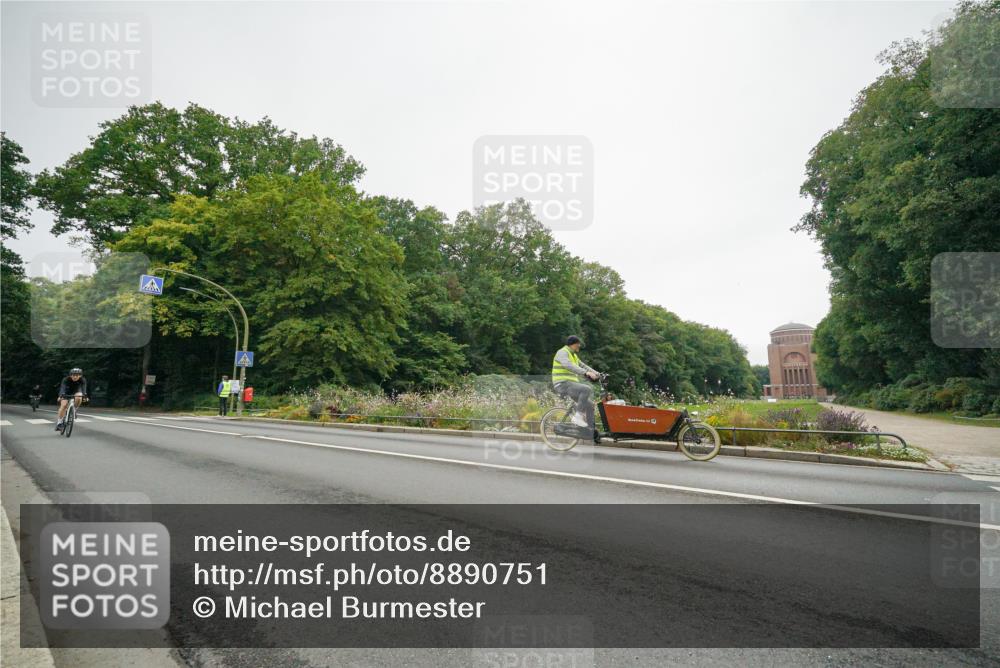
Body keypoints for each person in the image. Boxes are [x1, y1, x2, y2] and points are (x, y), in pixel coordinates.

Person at [551, 335, 602, 430]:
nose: (579, 346)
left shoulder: (573, 355)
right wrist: (586, 373)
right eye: (578, 344)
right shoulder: (562, 352)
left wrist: (598, 374)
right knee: (586, 389)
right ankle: (577, 417)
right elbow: (568, 365)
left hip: (570, 385)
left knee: (590, 405)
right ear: (573, 344)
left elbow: (583, 365)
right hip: (562, 383)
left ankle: (590, 431)